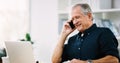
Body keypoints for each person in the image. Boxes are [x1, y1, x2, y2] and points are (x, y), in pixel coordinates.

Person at [52, 3, 119, 63]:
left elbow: (114, 60)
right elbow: (55, 60)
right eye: (72, 19)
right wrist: (63, 34)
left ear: (89, 16)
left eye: (77, 17)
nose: (75, 22)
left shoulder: (104, 33)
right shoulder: (72, 40)